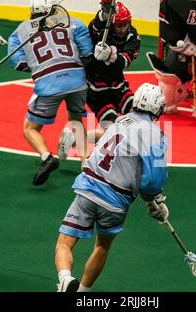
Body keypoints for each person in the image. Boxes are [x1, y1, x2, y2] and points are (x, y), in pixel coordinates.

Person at [54, 83, 169, 292]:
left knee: (64, 243)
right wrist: (155, 200)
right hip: (115, 202)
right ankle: (81, 293)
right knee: (102, 246)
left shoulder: (120, 120)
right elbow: (152, 179)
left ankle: (64, 279)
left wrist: (77, 137)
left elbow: (103, 138)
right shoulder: (156, 135)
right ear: (158, 108)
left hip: (88, 189)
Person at [8, 0, 93, 185]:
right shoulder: (73, 22)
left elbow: (18, 62)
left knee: (30, 128)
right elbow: (87, 53)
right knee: (76, 120)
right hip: (77, 81)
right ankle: (85, 163)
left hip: (49, 84)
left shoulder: (20, 31)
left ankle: (47, 158)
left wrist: (37, 64)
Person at [57, 0, 141, 159]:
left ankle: (73, 138)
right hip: (96, 92)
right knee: (113, 129)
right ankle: (76, 140)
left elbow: (125, 61)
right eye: (119, 25)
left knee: (137, 119)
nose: (123, 29)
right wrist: (103, 14)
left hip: (119, 87)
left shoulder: (133, 35)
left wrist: (111, 55)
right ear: (112, 24)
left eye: (125, 24)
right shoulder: (102, 32)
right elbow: (94, 27)